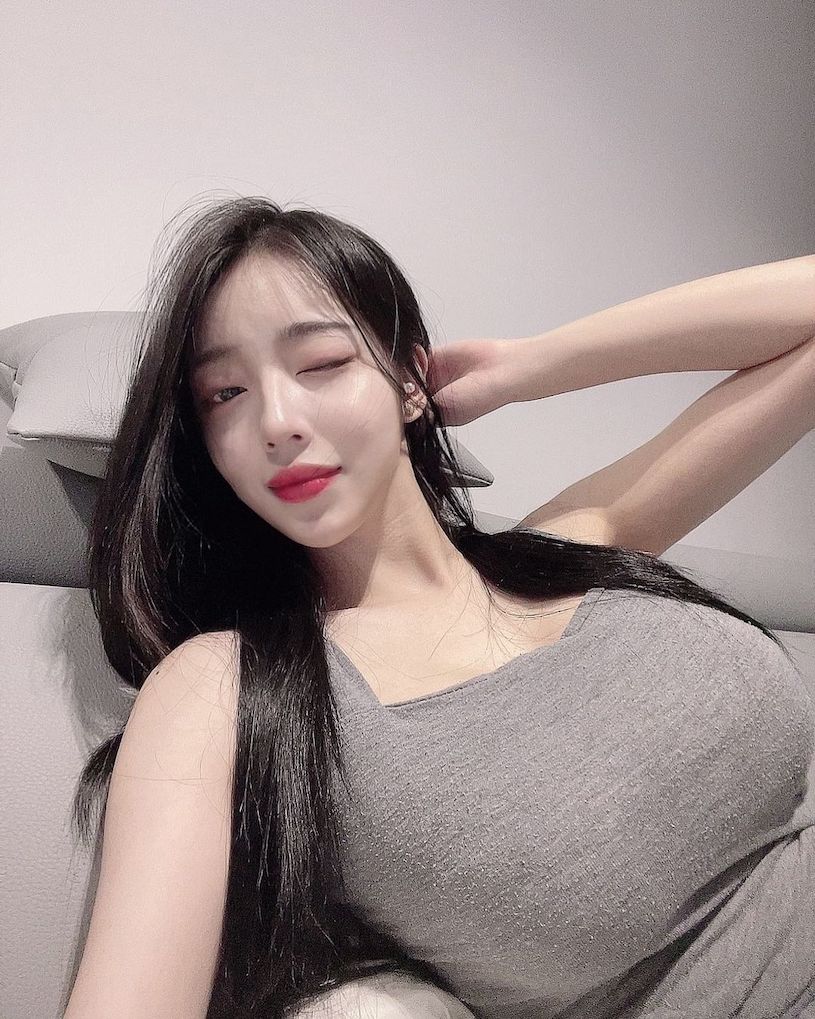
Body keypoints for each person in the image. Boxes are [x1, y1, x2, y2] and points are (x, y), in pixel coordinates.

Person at [65, 197, 815, 1018]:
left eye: (322, 363)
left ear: (408, 383)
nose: (277, 422)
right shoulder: (225, 686)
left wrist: (531, 364)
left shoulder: (574, 544)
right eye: (225, 393)